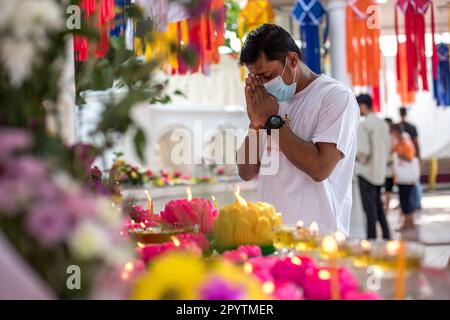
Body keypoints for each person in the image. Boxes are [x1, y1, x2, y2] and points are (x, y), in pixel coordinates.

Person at [236, 24, 359, 235]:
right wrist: (255, 124)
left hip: (318, 237)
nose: (263, 86)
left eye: (267, 76)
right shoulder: (270, 102)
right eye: (256, 79)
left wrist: (272, 120)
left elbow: (320, 168)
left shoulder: (334, 96)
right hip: (271, 233)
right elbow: (246, 172)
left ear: (292, 60)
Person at [355, 94, 391, 240]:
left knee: (369, 210)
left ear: (363, 105)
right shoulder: (383, 124)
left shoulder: (364, 124)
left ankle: (371, 240)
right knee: (379, 208)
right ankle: (387, 236)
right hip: (379, 172)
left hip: (366, 172)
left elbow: (363, 152)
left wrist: (353, 156)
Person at [391, 124, 417, 231]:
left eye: (392, 132)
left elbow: (410, 158)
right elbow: (392, 151)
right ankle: (408, 223)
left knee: (406, 202)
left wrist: (400, 155)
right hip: (402, 178)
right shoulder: (400, 143)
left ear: (397, 132)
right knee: (404, 201)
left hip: (407, 179)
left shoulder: (406, 143)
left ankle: (408, 224)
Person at [398, 106, 422, 210]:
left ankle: (410, 205)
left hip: (404, 159)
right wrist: (418, 157)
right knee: (414, 182)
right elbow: (416, 143)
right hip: (411, 158)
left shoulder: (400, 127)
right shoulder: (411, 127)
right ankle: (414, 203)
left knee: (407, 183)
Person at [384, 118, 395, 212]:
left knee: (388, 188)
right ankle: (385, 206)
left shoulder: (393, 137)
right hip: (382, 167)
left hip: (391, 167)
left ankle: (387, 206)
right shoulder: (382, 136)